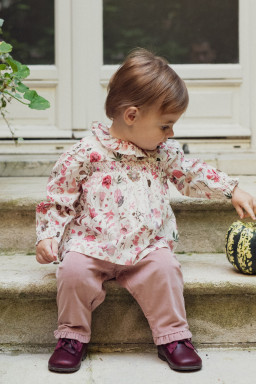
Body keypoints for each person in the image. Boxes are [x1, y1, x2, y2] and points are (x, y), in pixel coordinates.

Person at [36, 48, 256, 374]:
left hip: (146, 244)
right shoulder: (85, 154)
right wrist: (48, 235)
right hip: (91, 243)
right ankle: (72, 336)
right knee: (72, 273)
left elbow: (191, 173)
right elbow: (57, 198)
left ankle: (173, 337)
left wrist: (230, 188)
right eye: (166, 126)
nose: (171, 134)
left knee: (166, 270)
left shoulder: (163, 152)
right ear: (132, 116)